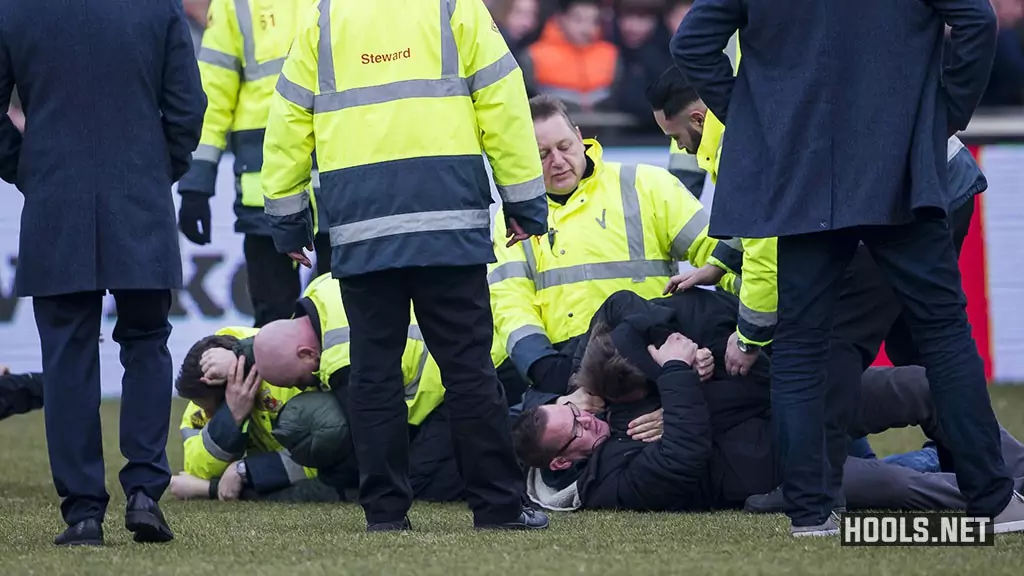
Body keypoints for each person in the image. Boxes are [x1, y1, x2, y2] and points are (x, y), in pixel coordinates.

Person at [671, 0, 1024, 536]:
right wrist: (940, 116)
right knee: (944, 333)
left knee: (802, 345)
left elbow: (691, 43)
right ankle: (993, 501)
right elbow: (978, 19)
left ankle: (810, 512)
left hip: (803, 167)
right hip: (898, 163)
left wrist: (761, 119)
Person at [260, 0, 551, 532]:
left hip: (361, 230)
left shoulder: (323, 18)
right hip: (448, 227)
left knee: (374, 375)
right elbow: (503, 103)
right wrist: (525, 201)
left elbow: (286, 122)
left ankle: (386, 515)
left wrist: (286, 219)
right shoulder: (454, 8)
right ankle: (498, 509)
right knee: (468, 370)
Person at [0, 0, 206, 546]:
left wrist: (28, 168)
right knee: (145, 342)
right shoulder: (158, 8)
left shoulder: (14, 11)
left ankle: (83, 513)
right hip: (139, 198)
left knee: (67, 355)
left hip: (55, 200)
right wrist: (159, 168)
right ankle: (144, 492)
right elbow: (186, 107)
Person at [514, 323, 1024, 514]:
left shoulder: (601, 396)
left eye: (572, 414)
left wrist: (699, 358)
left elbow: (631, 315)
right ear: (561, 465)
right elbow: (686, 454)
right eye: (575, 434)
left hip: (790, 402)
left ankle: (1014, 474)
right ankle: (999, 506)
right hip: (781, 467)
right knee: (893, 486)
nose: (587, 423)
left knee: (921, 385)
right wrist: (676, 376)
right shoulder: (609, 487)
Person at [490, 94, 738, 405]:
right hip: (566, 370)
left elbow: (719, 254)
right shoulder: (511, 223)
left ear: (580, 138)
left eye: (564, 147)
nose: (557, 161)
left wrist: (747, 327)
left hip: (652, 355)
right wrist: (544, 369)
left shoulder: (645, 185)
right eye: (541, 154)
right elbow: (510, 305)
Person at [199, 273, 465, 503]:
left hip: (450, 389)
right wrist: (239, 353)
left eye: (301, 382)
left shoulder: (344, 363)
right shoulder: (320, 290)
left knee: (411, 481)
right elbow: (283, 338)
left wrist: (251, 478)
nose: (306, 389)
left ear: (306, 354)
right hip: (459, 345)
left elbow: (369, 453)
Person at [177, 0, 332, 328]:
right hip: (268, 192)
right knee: (274, 322)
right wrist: (196, 184)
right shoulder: (235, 4)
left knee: (349, 318)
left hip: (343, 184)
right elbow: (213, 96)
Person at [169, 330, 342, 504]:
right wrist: (230, 417)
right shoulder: (208, 381)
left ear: (239, 383)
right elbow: (196, 468)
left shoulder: (289, 373)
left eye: (210, 409)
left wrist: (244, 471)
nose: (206, 416)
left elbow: (320, 459)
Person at [518, 0, 621, 110]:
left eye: (594, 21)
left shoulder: (611, 55)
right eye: (578, 20)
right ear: (560, 19)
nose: (586, 28)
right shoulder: (534, 55)